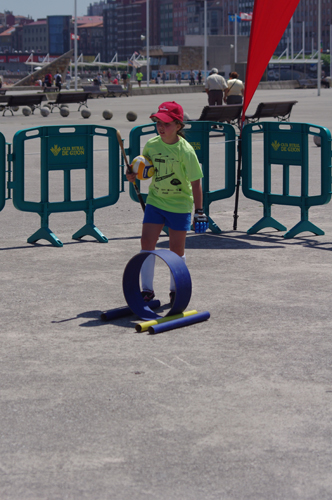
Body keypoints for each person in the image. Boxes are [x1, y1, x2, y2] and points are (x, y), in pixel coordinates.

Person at [126, 101, 208, 304]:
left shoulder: (185, 151)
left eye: (167, 123)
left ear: (179, 126)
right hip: (156, 201)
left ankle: (175, 289)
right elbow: (143, 168)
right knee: (146, 244)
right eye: (158, 123)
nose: (161, 127)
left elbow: (196, 181)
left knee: (176, 250)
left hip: (179, 204)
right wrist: (132, 174)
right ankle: (146, 290)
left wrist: (199, 210)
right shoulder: (152, 145)